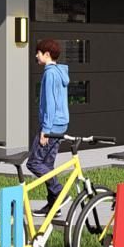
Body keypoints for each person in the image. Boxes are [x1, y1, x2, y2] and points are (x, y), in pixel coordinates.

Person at [29, 37, 70, 208]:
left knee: (34, 163)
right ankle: (54, 205)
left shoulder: (50, 73)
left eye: (37, 53)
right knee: (47, 164)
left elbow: (51, 103)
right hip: (60, 125)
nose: (36, 57)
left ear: (47, 54)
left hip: (51, 127)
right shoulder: (59, 72)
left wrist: (45, 130)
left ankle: (60, 192)